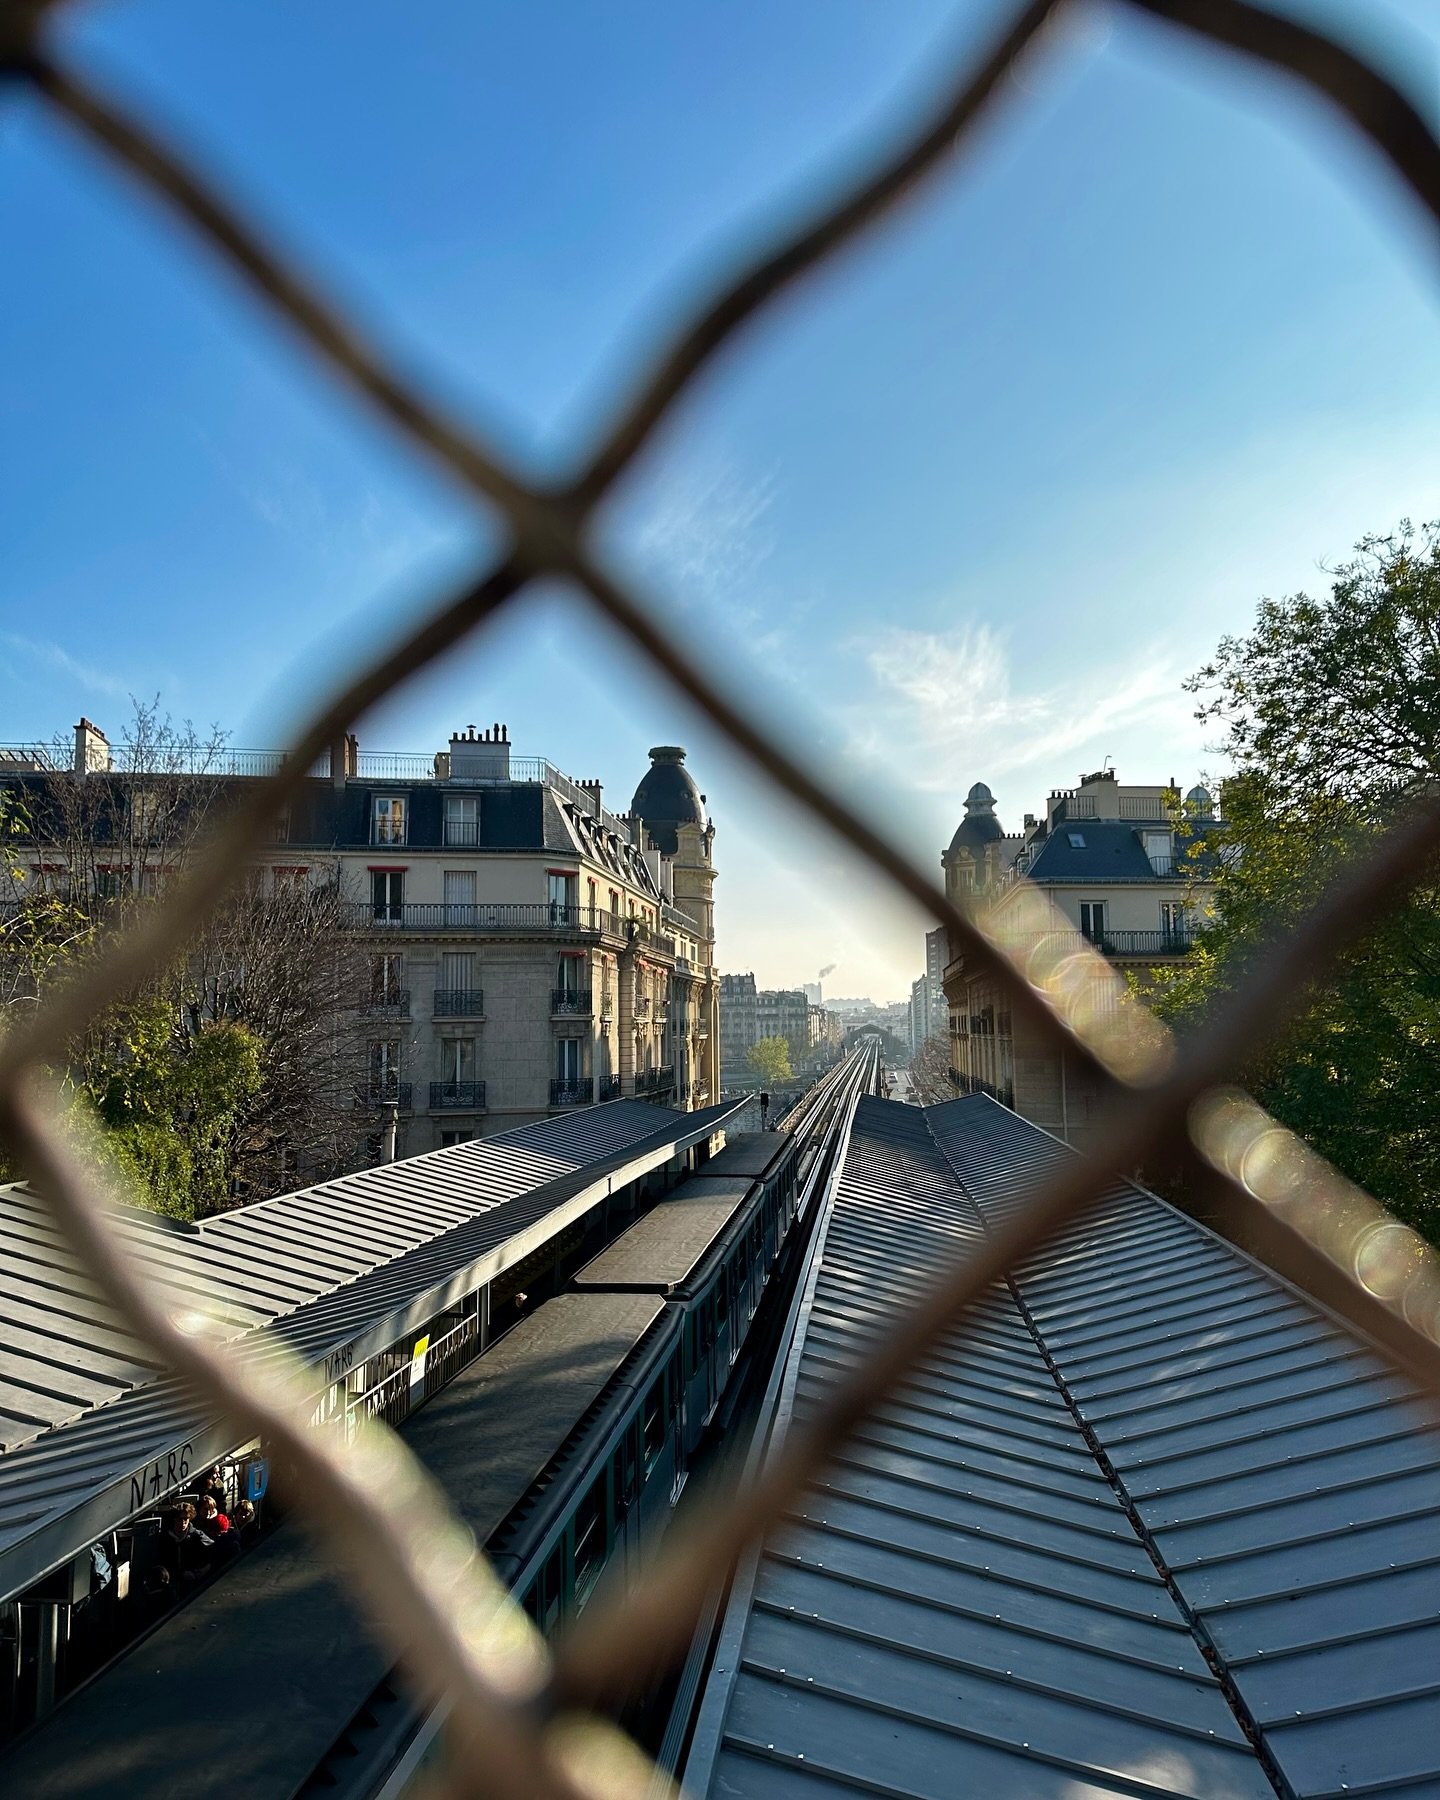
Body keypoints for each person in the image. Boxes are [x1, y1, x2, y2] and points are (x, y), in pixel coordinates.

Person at [162, 1501, 213, 1584]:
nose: (183, 1522)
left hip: (193, 1579)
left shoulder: (196, 1536)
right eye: (180, 1519)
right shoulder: (166, 1539)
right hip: (172, 1580)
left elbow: (212, 1549)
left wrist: (204, 1569)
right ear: (174, 1519)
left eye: (185, 1519)